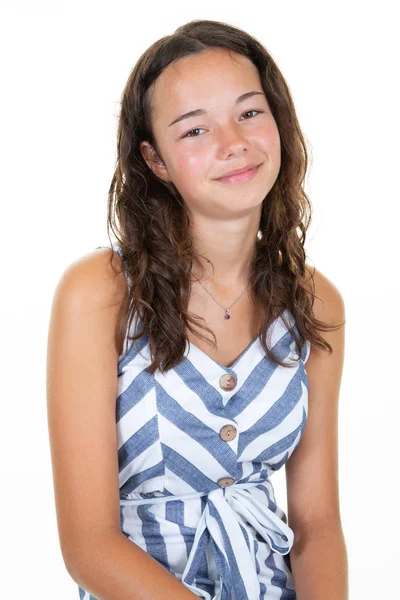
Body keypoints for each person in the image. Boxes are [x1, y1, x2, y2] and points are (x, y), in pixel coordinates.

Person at [46, 19, 348, 600]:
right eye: (194, 130)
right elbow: (88, 544)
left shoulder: (317, 301)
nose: (233, 142)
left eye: (250, 113)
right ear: (155, 160)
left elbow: (316, 522)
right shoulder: (99, 293)